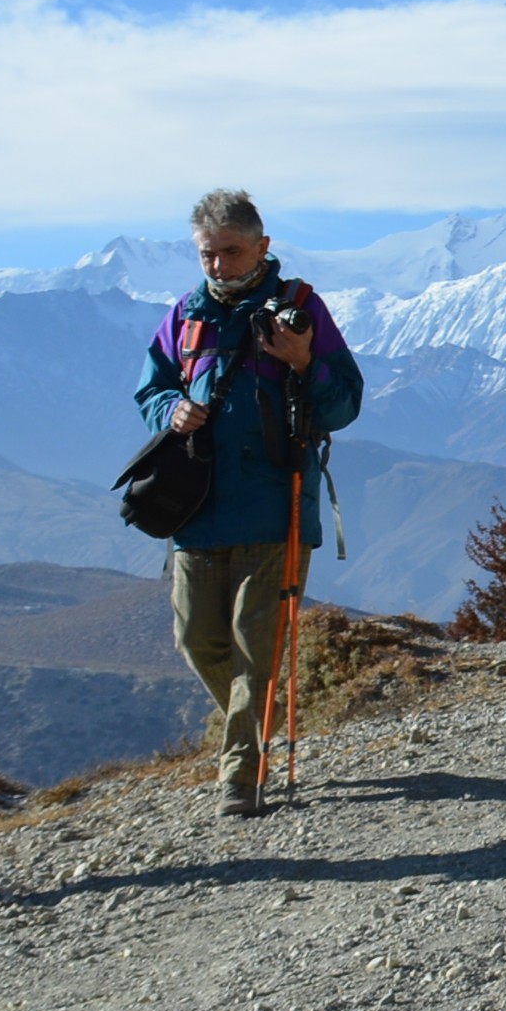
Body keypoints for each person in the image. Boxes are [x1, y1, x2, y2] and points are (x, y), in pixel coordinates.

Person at [134, 189, 365, 819]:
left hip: (277, 509)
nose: (217, 266)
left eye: (230, 252)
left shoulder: (299, 308)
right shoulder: (184, 316)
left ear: (262, 247)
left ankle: (241, 772)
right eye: (207, 254)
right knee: (198, 640)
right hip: (196, 510)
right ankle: (261, 725)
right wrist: (169, 408)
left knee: (254, 649)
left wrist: (302, 362)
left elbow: (344, 403)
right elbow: (150, 387)